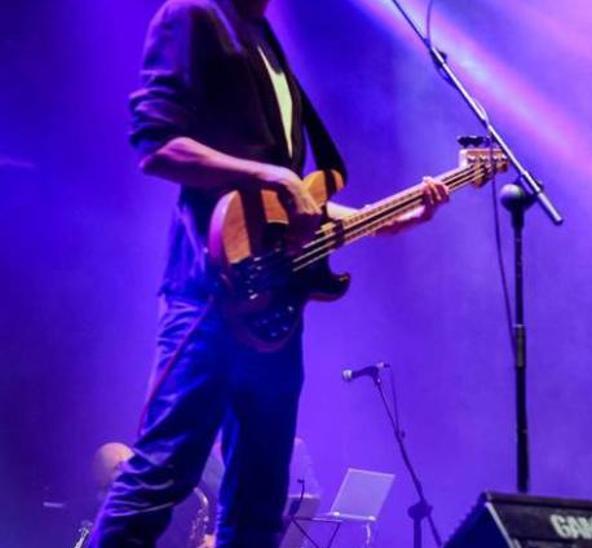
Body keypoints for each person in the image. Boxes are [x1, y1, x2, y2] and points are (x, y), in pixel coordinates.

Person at [91, 0, 448, 544]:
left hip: (274, 312)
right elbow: (156, 143)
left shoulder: (265, 38)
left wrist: (380, 220)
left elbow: (291, 203)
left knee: (261, 499)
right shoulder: (193, 16)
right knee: (161, 475)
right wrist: (270, 175)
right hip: (209, 295)